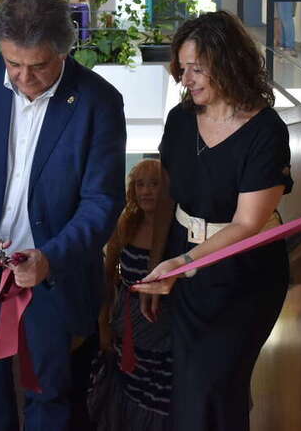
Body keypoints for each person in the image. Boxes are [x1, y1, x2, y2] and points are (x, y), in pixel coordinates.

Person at [0, 0, 127, 431]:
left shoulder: (98, 102)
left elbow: (103, 202)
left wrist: (51, 257)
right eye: (12, 63)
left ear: (63, 50)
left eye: (37, 66)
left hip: (52, 277)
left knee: (52, 398)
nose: (22, 77)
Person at [133, 11, 292, 431]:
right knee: (189, 389)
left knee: (216, 387)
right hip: (185, 270)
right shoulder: (180, 119)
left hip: (245, 275)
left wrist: (179, 266)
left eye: (197, 69)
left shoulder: (266, 131)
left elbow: (247, 224)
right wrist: (160, 266)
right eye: (182, 69)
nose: (186, 79)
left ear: (228, 63)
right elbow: (168, 198)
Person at [89, 159, 173, 431]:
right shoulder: (125, 224)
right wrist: (103, 324)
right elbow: (108, 276)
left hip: (168, 330)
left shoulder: (178, 230)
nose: (147, 191)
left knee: (162, 399)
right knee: (128, 391)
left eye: (154, 184)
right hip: (128, 326)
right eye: (140, 184)